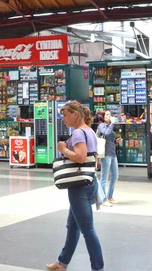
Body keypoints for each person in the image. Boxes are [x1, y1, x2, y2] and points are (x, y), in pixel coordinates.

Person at [47, 101, 104, 271]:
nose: (63, 118)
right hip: (89, 181)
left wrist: (63, 149)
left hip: (78, 186)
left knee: (87, 229)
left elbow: (80, 157)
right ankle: (62, 263)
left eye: (65, 114)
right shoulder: (89, 131)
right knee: (73, 226)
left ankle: (98, 267)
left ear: (75, 114)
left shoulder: (79, 133)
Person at [97, 110, 123, 206]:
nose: (109, 116)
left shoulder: (110, 126)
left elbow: (110, 138)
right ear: (103, 116)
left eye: (110, 114)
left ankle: (109, 196)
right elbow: (106, 133)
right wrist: (112, 123)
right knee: (104, 176)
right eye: (107, 114)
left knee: (115, 175)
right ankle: (103, 198)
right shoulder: (101, 126)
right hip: (106, 153)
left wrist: (117, 140)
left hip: (112, 153)